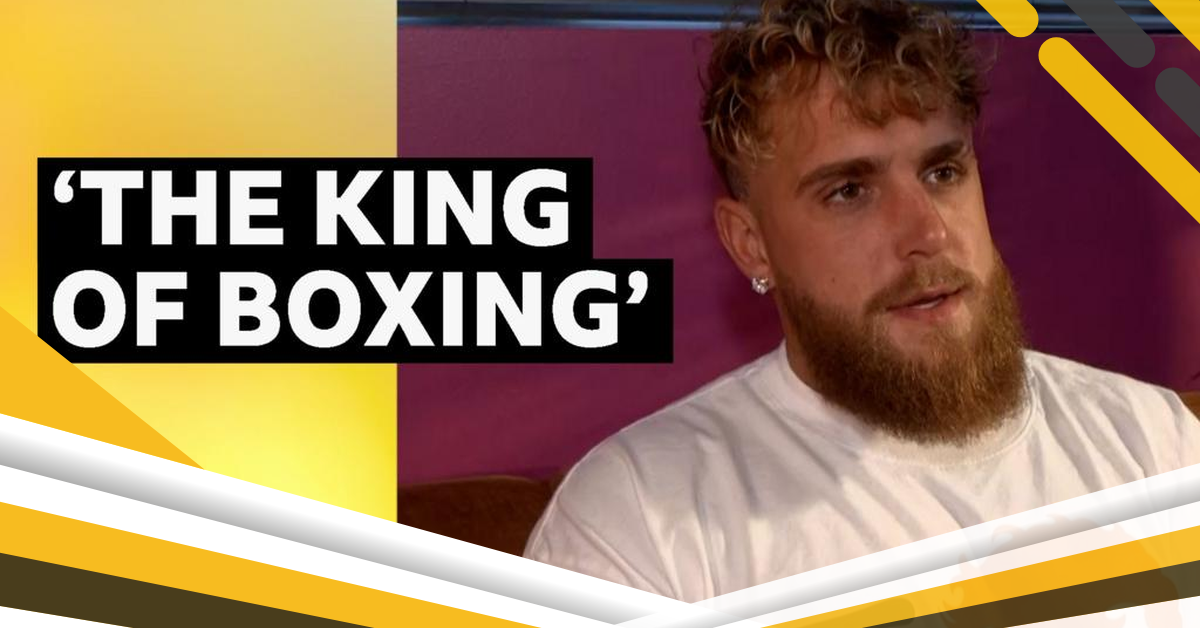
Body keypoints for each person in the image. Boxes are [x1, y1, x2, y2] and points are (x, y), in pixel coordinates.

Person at [523, 0, 1200, 602]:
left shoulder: (1154, 443)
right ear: (752, 244)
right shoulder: (641, 520)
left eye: (943, 171)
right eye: (849, 191)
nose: (929, 233)